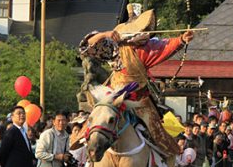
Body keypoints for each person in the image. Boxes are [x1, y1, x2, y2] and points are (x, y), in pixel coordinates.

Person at [79, 9, 193, 156]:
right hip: (114, 94)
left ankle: (163, 165)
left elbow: (167, 46)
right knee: (94, 121)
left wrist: (182, 39)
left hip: (138, 96)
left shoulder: (148, 48)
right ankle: (85, 159)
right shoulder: (114, 47)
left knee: (156, 129)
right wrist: (106, 34)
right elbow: (87, 45)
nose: (144, 33)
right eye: (141, 29)